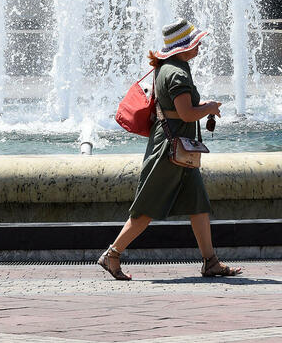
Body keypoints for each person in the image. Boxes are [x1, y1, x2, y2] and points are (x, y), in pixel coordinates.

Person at [98, 18, 243, 280]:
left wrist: (204, 107)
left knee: (198, 204)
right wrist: (209, 108)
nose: (199, 46)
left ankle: (210, 262)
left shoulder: (168, 68)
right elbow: (186, 114)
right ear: (182, 47)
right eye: (195, 42)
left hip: (179, 148)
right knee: (146, 208)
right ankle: (112, 254)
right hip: (170, 149)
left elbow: (178, 110)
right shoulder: (176, 73)